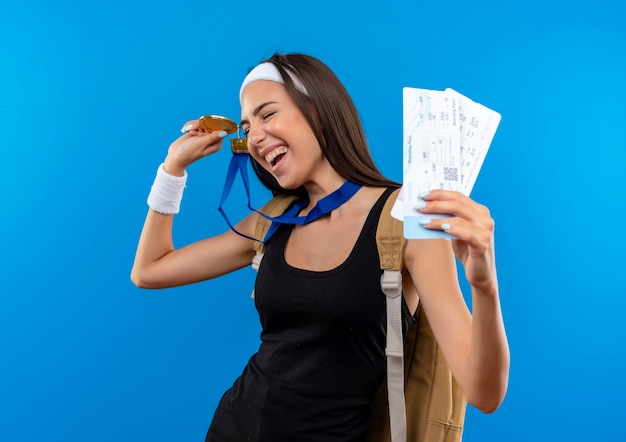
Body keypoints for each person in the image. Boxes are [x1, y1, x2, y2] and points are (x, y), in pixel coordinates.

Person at [131, 53, 510, 441]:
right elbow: (149, 270)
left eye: (267, 114)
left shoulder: (406, 221)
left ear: (317, 109)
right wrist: (172, 169)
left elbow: (485, 394)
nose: (255, 137)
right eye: (247, 127)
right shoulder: (273, 220)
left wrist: (484, 284)